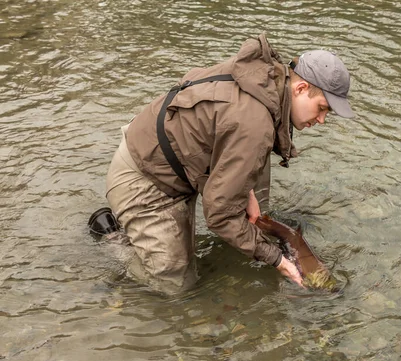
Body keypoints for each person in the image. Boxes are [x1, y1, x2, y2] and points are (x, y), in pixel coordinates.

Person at [92, 33, 354, 293]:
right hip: (147, 178)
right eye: (322, 108)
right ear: (300, 88)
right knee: (173, 285)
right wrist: (277, 260)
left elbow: (221, 135)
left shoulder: (265, 79)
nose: (322, 120)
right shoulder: (254, 125)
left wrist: (245, 191)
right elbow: (218, 216)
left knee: (245, 208)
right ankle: (112, 236)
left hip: (176, 160)